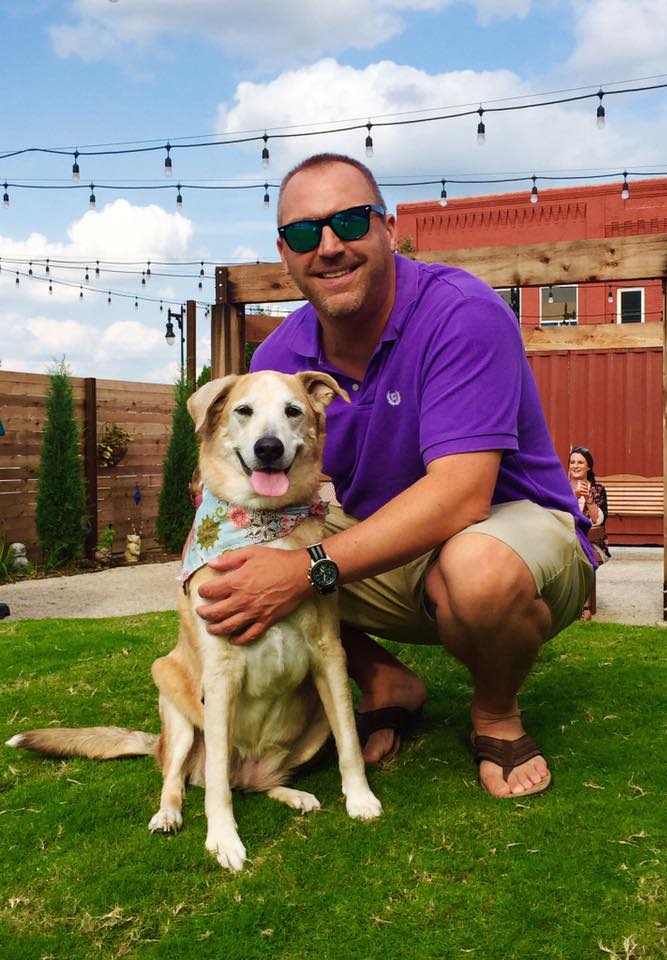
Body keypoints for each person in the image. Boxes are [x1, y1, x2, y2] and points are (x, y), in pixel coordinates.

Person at [196, 152, 596, 799]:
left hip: (508, 532)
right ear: (285, 252)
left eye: (349, 222)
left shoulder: (461, 312)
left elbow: (462, 497)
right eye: (305, 233)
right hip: (389, 545)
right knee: (233, 566)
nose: (328, 247)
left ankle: (495, 713)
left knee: (477, 570)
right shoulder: (278, 359)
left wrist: (306, 568)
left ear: (388, 227)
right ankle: (385, 679)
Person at [568, 446, 611, 621]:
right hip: (564, 537)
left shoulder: (597, 490)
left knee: (582, 551)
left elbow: (599, 521)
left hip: (592, 542)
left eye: (580, 462)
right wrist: (572, 496)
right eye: (572, 462)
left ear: (588, 467)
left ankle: (584, 605)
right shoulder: (561, 488)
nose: (575, 466)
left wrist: (588, 500)